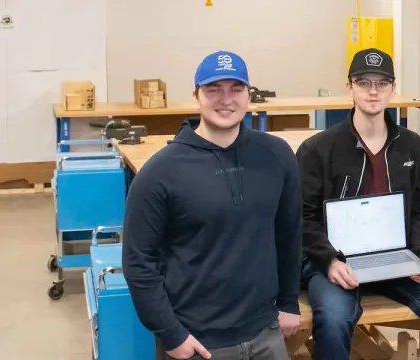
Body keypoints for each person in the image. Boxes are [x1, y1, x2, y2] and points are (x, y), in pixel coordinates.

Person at [123, 50, 302, 360]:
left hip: (265, 332)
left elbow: (288, 234)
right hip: (198, 342)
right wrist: (171, 334)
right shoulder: (161, 172)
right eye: (213, 89)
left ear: (249, 95)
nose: (225, 99)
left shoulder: (276, 156)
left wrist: (288, 301)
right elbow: (139, 263)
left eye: (236, 88)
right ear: (196, 96)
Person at [296, 48, 420, 360]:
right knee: (333, 321)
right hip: (335, 263)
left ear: (393, 87)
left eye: (381, 83)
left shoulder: (412, 146)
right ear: (349, 87)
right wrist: (330, 262)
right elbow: (304, 219)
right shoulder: (317, 150)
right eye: (363, 82)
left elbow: (419, 212)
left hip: (397, 259)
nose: (372, 91)